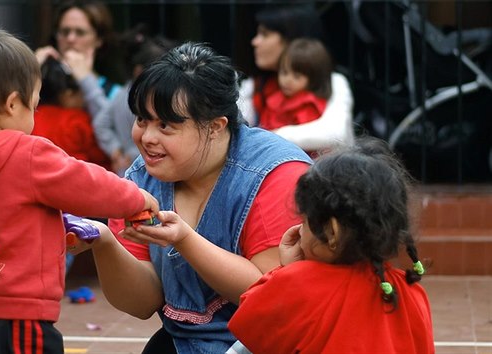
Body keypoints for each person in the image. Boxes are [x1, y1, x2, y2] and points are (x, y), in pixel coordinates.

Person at [72, 42, 313, 353]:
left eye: (165, 126)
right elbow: (142, 303)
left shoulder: (277, 174)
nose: (147, 138)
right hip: (182, 341)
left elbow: (271, 292)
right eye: (142, 120)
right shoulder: (138, 180)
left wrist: (184, 240)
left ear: (215, 126)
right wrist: (103, 241)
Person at [0, 28, 158, 354]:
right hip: (15, 318)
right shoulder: (26, 153)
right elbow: (88, 184)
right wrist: (136, 196)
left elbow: (5, 209)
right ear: (11, 104)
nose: (35, 115)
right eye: (33, 106)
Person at [227, 137, 434, 354]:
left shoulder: (300, 283)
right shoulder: (410, 292)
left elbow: (250, 322)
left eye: (304, 221)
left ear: (331, 232)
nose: (300, 229)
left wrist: (284, 272)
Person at [238, 4, 355, 152]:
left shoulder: (333, 81)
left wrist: (268, 137)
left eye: (265, 34)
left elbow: (335, 133)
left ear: (290, 39)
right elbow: (235, 128)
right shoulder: (255, 84)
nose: (255, 42)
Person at [93, 26, 177, 176]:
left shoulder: (121, 94)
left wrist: (116, 150)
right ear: (138, 71)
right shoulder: (144, 99)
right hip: (145, 169)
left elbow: (100, 123)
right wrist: (127, 153)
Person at [35, 0, 121, 121]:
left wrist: (86, 80)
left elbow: (110, 130)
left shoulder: (115, 94)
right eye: (65, 32)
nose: (70, 39)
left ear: (99, 39)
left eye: (80, 32)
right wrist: (30, 71)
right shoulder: (40, 82)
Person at [33, 57, 111, 170]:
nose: (84, 99)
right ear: (68, 95)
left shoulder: (31, 117)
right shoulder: (77, 119)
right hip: (79, 179)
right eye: (82, 92)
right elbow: (103, 156)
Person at [259, 38, 332, 132]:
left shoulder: (309, 106)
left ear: (314, 77)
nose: (287, 80)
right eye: (284, 72)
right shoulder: (274, 98)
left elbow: (306, 138)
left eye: (297, 76)